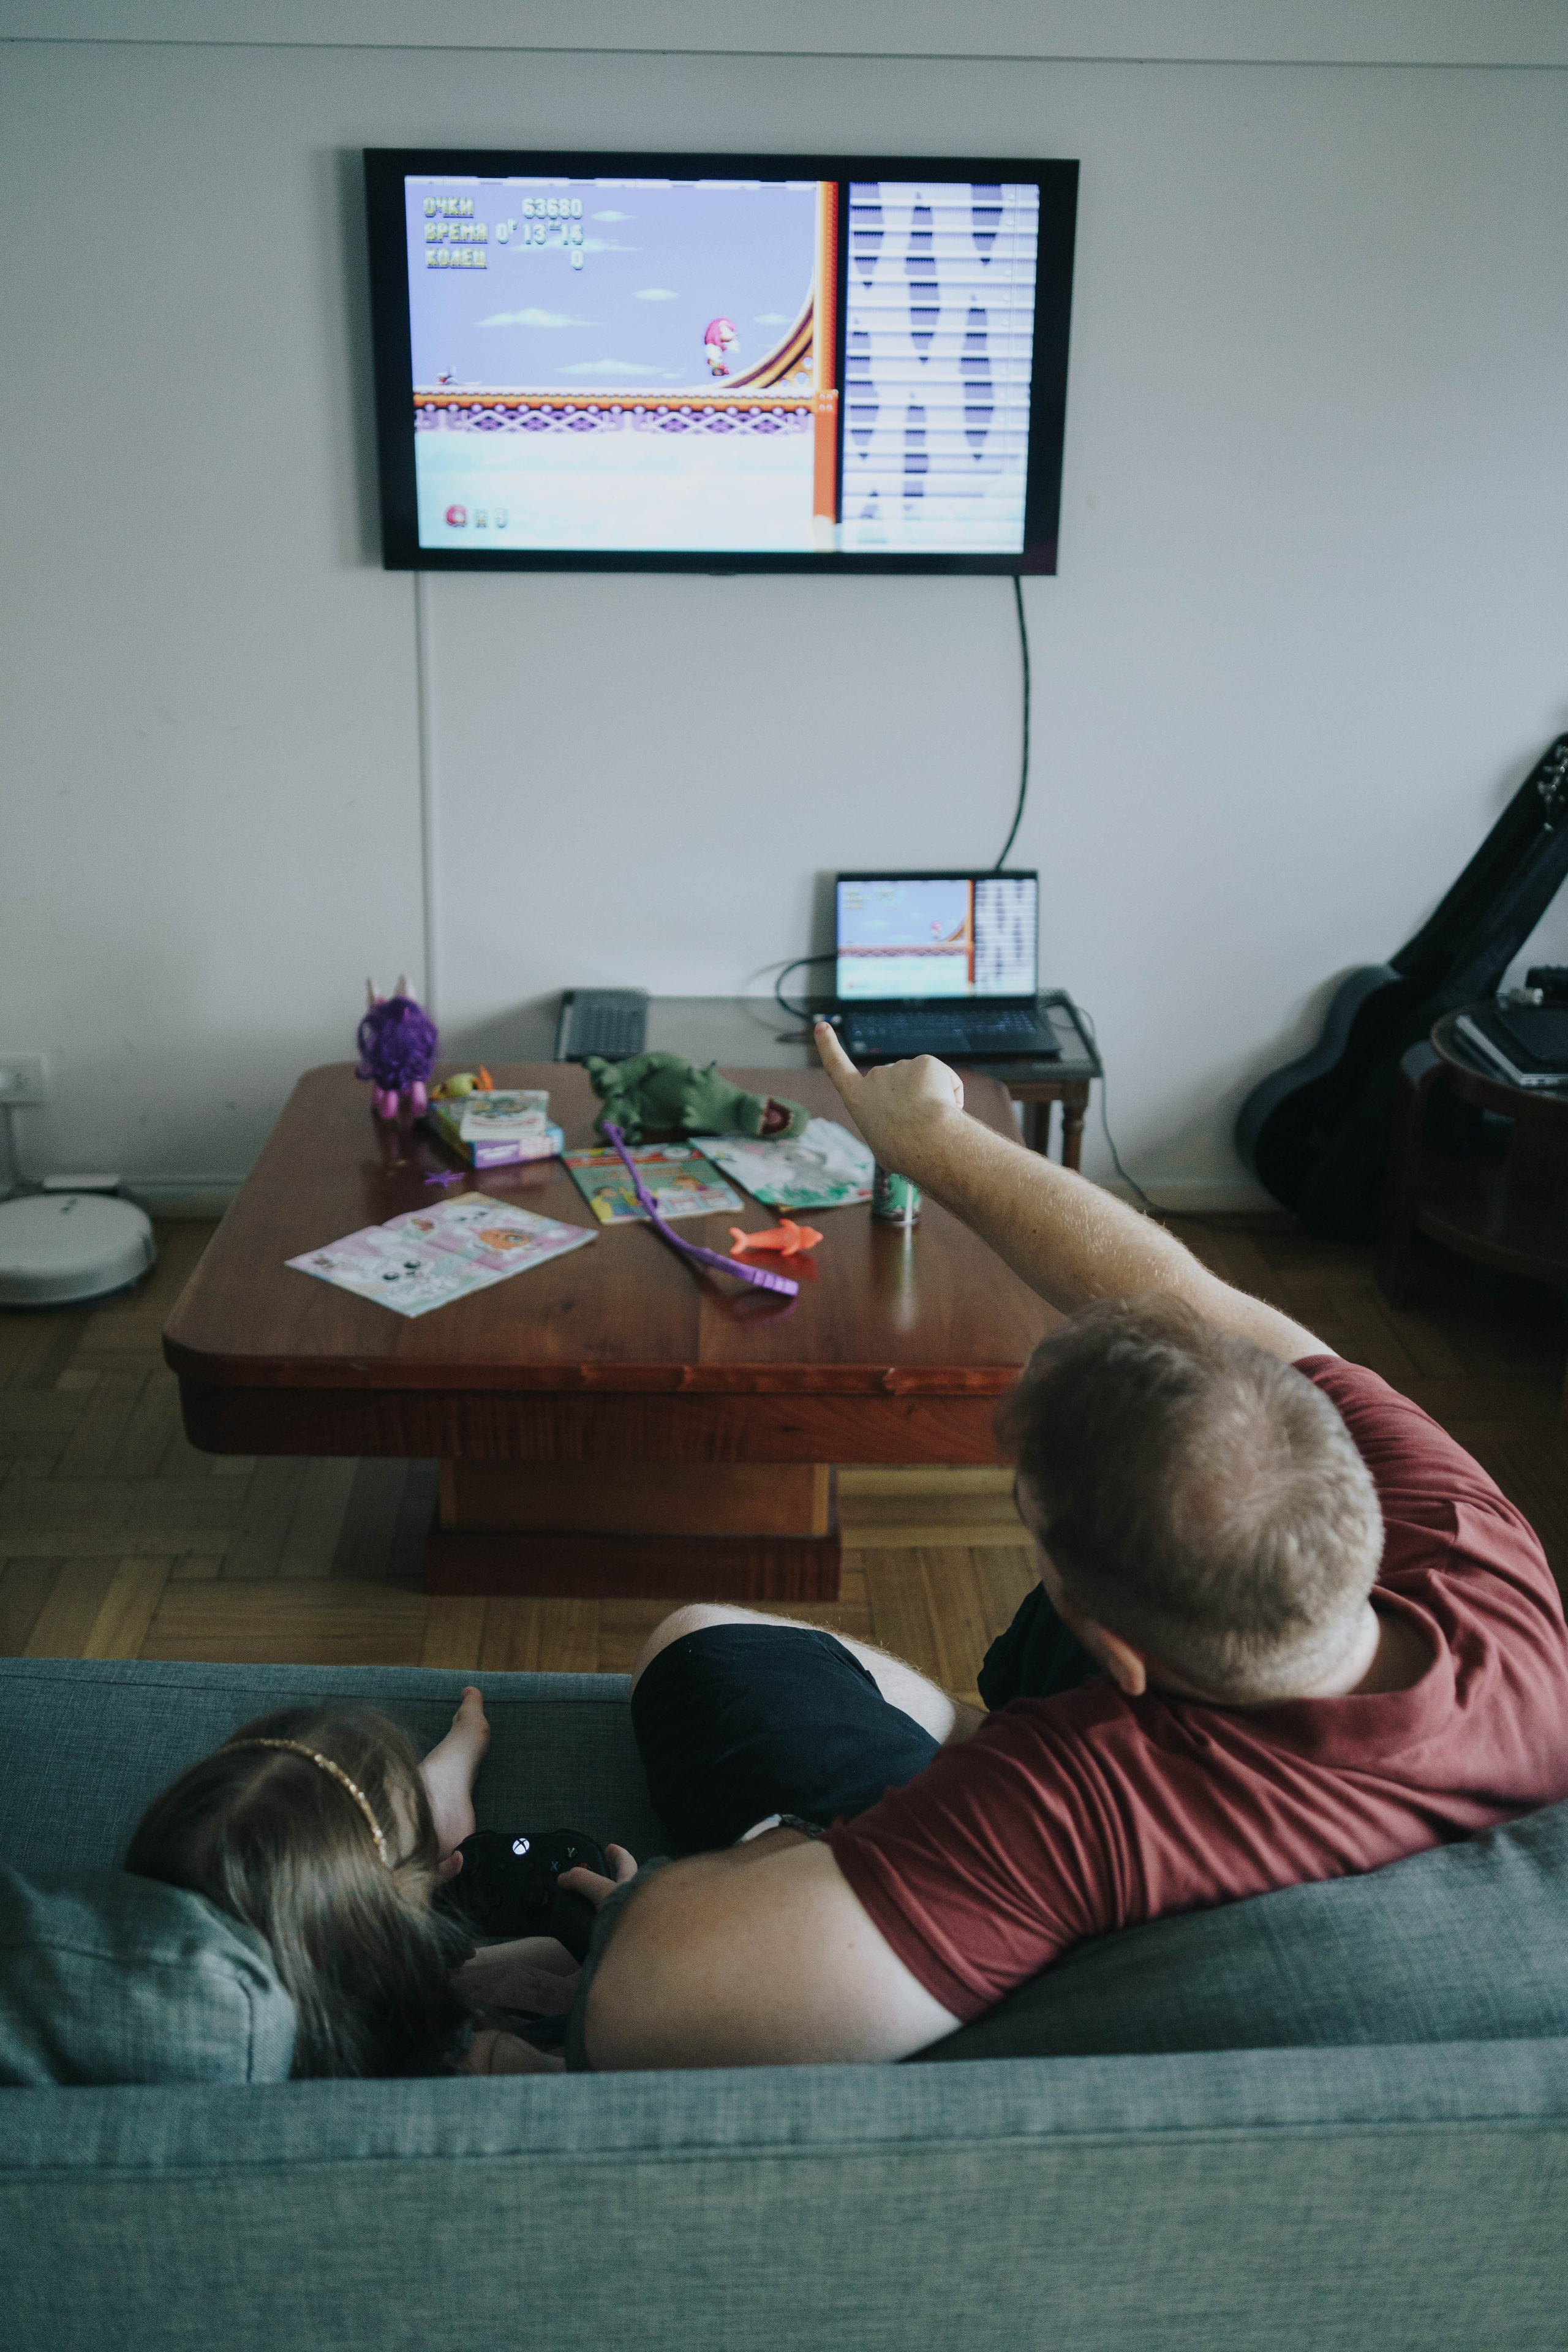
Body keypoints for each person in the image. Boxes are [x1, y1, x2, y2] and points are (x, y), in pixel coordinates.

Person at [564, 1022, 1568, 2071]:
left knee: (701, 1644)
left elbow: (642, 2004)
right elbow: (1185, 1302)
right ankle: (950, 1730)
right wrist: (935, 1140)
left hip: (1002, 1883)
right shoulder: (1470, 1536)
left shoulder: (1084, 1800)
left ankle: (934, 1742)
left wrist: (739, 1864)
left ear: (1118, 1659)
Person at [127, 1687, 623, 2077]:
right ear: (387, 1939)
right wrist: (632, 1934)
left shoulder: (196, 2003)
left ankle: (427, 1807)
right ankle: (430, 1807)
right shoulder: (479, 2056)